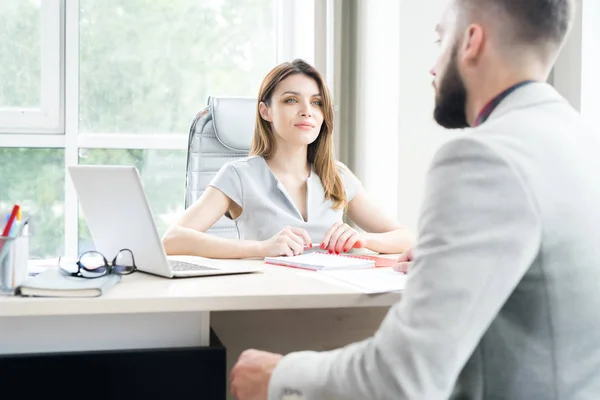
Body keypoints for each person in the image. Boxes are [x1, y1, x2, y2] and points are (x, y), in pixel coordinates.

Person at [230, 0, 600, 399]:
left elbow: (402, 379)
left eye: (441, 39)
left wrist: (280, 375)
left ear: (471, 42)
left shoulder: (485, 157)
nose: (432, 66)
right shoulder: (581, 142)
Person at [162, 59, 413, 259]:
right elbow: (172, 240)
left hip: (331, 298)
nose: (307, 111)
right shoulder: (238, 175)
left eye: (316, 102)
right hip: (269, 300)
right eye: (291, 100)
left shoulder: (337, 176)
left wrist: (362, 240)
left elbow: (405, 238)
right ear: (266, 111)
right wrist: (261, 248)